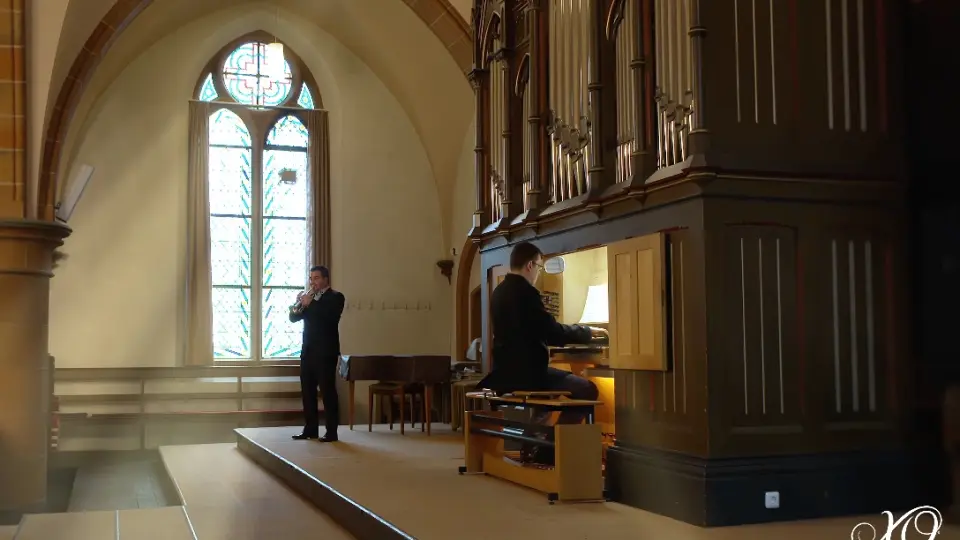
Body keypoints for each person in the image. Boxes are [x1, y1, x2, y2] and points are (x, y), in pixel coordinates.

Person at [477, 241, 606, 427]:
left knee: (554, 387)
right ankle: (554, 445)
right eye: (539, 266)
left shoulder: (498, 291)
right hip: (528, 375)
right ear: (530, 265)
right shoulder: (526, 293)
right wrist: (587, 332)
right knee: (587, 389)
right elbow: (552, 332)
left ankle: (537, 443)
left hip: (504, 373)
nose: (538, 273)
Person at [289, 265, 345, 442]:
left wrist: (309, 303)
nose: (313, 282)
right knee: (308, 392)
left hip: (326, 352)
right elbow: (293, 318)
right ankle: (310, 429)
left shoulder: (335, 297)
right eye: (311, 278)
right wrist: (296, 305)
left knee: (327, 392)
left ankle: (331, 432)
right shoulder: (310, 299)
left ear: (326, 279)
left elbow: (328, 317)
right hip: (308, 352)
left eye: (317, 278)